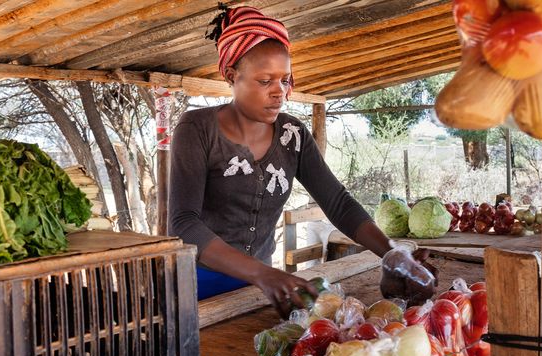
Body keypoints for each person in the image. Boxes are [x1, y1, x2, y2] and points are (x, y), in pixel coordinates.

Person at [168, 5, 425, 317]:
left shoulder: (293, 135)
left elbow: (338, 203)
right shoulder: (197, 129)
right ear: (231, 76)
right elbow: (184, 224)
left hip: (258, 291)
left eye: (285, 80)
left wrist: (392, 254)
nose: (279, 92)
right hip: (197, 286)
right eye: (265, 81)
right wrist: (264, 274)